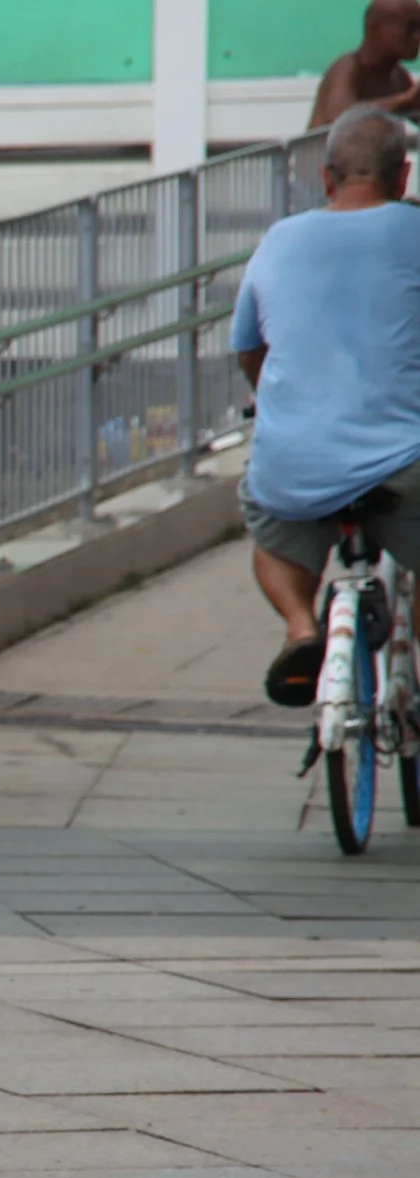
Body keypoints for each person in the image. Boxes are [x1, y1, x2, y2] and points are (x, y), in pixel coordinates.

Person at [234, 105, 420, 705]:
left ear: (327, 177)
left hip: (296, 461)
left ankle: (301, 626)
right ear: (404, 176)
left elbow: (250, 349)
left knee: (270, 524)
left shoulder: (280, 239)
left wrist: (279, 406)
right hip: (405, 462)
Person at [310, 0, 420, 129]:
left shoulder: (398, 76)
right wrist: (402, 101)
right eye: (409, 28)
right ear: (376, 30)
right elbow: (339, 117)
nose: (417, 37)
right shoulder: (349, 67)